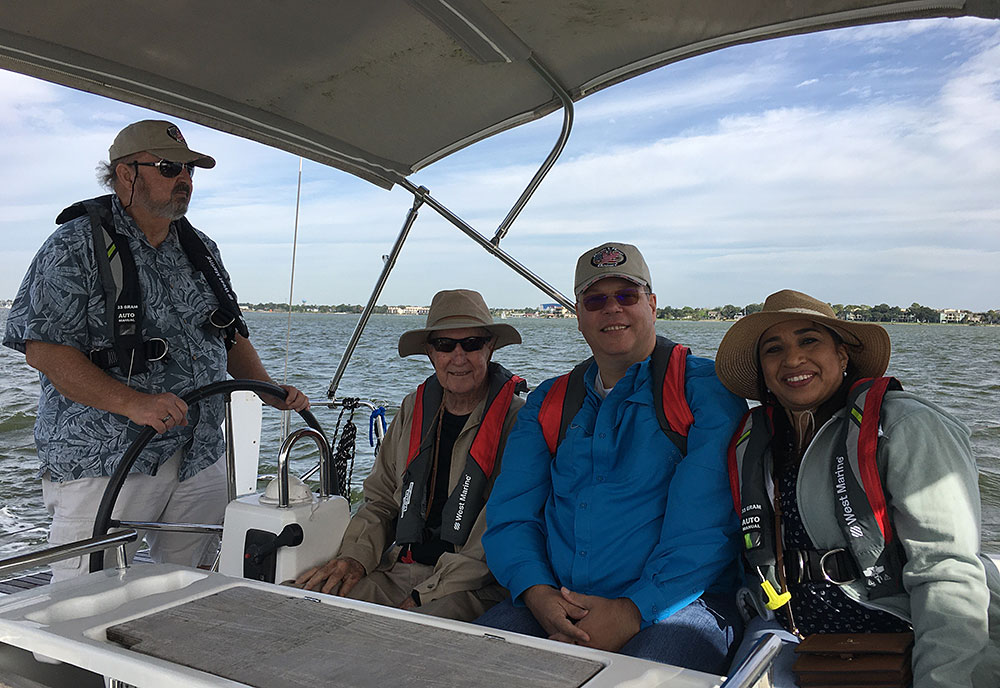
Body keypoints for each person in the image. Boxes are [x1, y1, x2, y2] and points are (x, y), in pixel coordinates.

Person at [3, 120, 308, 581]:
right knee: (81, 596)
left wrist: (266, 388)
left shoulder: (201, 248)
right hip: (107, 456)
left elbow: (228, 333)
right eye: (169, 168)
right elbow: (44, 349)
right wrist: (134, 404)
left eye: (189, 170)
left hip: (200, 451)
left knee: (189, 585)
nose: (184, 179)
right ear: (126, 174)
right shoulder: (72, 246)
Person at [478, 242, 747, 673]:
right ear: (579, 314)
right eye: (596, 300)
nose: (612, 309)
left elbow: (705, 529)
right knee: (473, 667)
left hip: (681, 604)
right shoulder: (550, 402)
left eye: (627, 296)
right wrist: (536, 591)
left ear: (652, 304)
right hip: (556, 601)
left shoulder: (704, 392)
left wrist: (630, 612)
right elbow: (511, 515)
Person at [715, 289, 1000, 688]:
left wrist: (942, 680)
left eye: (809, 340)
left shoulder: (905, 427)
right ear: (763, 371)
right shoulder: (760, 442)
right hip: (797, 643)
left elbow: (946, 571)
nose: (792, 359)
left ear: (843, 355)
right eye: (773, 349)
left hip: (902, 646)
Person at [296, 289, 526, 622]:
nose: (458, 356)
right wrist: (354, 559)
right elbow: (381, 502)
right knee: (303, 604)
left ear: (489, 347)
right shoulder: (412, 409)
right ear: (430, 353)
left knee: (411, 636)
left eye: (472, 343)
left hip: (473, 585)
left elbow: (501, 527)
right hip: (401, 568)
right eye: (445, 345)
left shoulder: (519, 421)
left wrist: (423, 597)